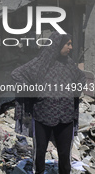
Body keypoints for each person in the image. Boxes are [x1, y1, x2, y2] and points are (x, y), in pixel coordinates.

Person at [11, 31, 86, 174]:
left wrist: (74, 92)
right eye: (68, 44)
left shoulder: (69, 63)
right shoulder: (42, 62)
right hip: (43, 115)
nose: (70, 47)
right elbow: (17, 74)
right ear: (57, 44)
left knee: (65, 155)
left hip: (65, 116)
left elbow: (81, 78)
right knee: (39, 153)